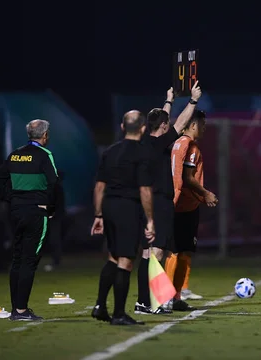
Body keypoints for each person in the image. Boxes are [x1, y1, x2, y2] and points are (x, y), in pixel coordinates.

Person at [134, 82, 202, 315]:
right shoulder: (160, 143)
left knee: (148, 253)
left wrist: (169, 100)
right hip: (158, 202)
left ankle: (144, 301)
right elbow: (180, 123)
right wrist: (193, 100)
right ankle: (150, 301)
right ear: (163, 126)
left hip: (145, 203)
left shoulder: (146, 142)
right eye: (167, 124)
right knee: (157, 253)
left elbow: (164, 120)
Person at [90, 110, 155, 326]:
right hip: (128, 207)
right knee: (126, 261)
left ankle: (100, 306)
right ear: (143, 128)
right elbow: (145, 190)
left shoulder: (110, 151)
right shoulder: (142, 153)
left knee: (113, 256)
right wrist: (150, 219)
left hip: (108, 206)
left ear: (122, 127)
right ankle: (119, 314)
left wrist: (98, 214)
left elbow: (99, 186)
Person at [0, 119, 59, 321]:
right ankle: (21, 311)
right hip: (36, 211)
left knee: (17, 259)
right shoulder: (45, 155)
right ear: (45, 135)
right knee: (29, 260)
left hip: (15, 212)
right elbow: (54, 183)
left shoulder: (15, 154)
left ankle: (17, 309)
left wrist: (11, 198)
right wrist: (51, 208)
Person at [164, 110, 218, 311]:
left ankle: (173, 297)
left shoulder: (176, 143)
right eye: (202, 124)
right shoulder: (191, 146)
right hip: (184, 205)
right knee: (178, 252)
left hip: (177, 204)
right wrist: (205, 193)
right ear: (193, 124)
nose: (204, 128)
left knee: (180, 252)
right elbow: (188, 177)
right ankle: (169, 297)